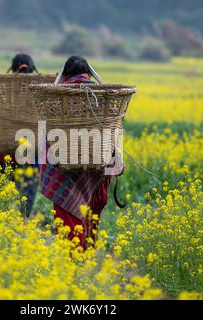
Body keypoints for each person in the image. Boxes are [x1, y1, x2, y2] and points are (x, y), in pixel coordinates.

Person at [40, 56, 124, 249]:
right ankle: (86, 256)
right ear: (88, 73)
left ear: (66, 73)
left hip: (64, 170)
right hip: (96, 168)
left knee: (68, 212)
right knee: (91, 213)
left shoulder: (55, 98)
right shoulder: (104, 96)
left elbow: (47, 135)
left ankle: (74, 259)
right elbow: (115, 130)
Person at [0, 53, 39, 216]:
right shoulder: (41, 90)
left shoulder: (2, 90)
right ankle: (24, 219)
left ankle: (1, 220)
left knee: (0, 194)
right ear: (33, 69)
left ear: (12, 69)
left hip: (3, 148)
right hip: (30, 149)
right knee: (28, 188)